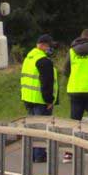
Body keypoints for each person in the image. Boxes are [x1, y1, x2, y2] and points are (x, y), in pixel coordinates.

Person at [20, 34, 58, 163]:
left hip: (28, 98)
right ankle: (39, 155)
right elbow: (46, 82)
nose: (50, 49)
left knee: (32, 128)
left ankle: (31, 155)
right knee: (41, 128)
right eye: (49, 46)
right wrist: (49, 100)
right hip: (41, 100)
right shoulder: (44, 61)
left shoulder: (29, 58)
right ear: (42, 45)